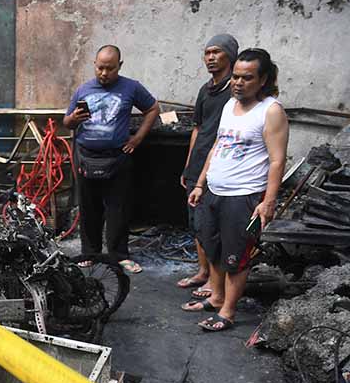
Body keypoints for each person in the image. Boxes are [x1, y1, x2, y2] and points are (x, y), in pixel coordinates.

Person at [183, 48, 289, 331]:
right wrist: (201, 183)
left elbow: (278, 160)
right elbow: (218, 146)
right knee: (213, 248)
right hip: (215, 190)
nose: (238, 83)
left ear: (263, 79)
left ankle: (227, 312)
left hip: (243, 196)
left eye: (247, 78)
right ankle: (216, 297)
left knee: (236, 257)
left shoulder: (271, 111)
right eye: (236, 77)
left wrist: (268, 201)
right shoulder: (230, 105)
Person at [63, 45, 160, 274]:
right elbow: (66, 123)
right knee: (89, 208)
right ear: (94, 65)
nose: (104, 73)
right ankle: (90, 253)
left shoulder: (131, 87)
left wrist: (136, 139)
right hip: (86, 157)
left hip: (117, 158)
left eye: (110, 68)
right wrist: (74, 118)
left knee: (118, 208)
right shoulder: (83, 89)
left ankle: (118, 255)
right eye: (100, 68)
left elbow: (153, 109)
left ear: (120, 66)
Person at [176, 34, 239, 296]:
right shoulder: (206, 90)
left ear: (231, 55)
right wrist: (189, 163)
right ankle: (203, 272)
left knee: (212, 226)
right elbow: (198, 128)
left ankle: (217, 283)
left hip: (221, 166)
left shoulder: (235, 91)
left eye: (217, 52)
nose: (211, 57)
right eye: (207, 52)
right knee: (197, 224)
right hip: (199, 163)